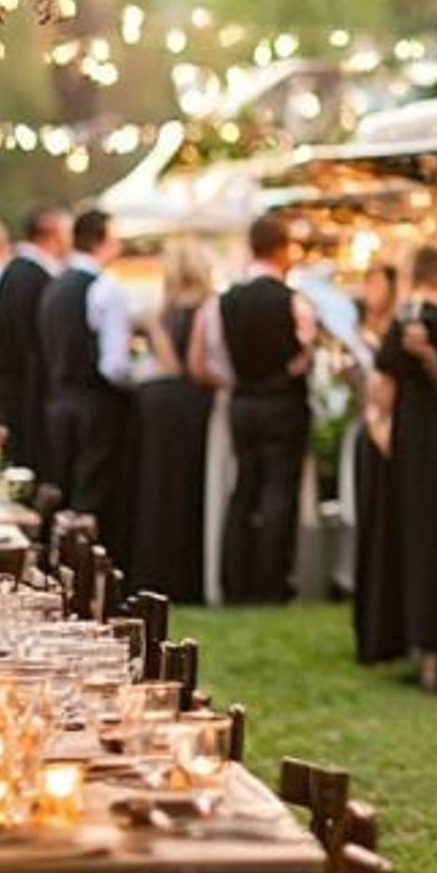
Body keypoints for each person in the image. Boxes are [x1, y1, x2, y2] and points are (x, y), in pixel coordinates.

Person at [197, 213, 315, 604]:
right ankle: (271, 583)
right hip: (282, 402)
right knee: (279, 492)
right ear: (282, 249)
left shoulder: (223, 302)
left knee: (243, 488)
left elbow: (213, 356)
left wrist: (238, 381)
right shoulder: (294, 301)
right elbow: (302, 357)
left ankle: (235, 581)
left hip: (242, 402)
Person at [366, 245, 437, 691]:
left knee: (406, 538)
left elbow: (382, 390)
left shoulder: (405, 319)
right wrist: (430, 359)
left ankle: (411, 643)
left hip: (408, 438)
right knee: (434, 541)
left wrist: (380, 433)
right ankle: (432, 651)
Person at [38, 207, 137, 546]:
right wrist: (136, 382)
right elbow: (115, 366)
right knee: (92, 501)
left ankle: (59, 569)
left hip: (57, 404)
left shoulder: (54, 285)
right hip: (95, 406)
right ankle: (89, 572)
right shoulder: (107, 288)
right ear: (101, 240)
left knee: (63, 495)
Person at [129, 239, 217, 601]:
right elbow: (189, 366)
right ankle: (188, 576)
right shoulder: (207, 308)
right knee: (192, 488)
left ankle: (155, 572)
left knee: (158, 487)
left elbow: (166, 363)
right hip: (193, 403)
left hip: (160, 406)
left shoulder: (160, 313)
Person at [0, 203, 72, 476]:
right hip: (24, 392)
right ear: (50, 232)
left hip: (18, 387)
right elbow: (28, 342)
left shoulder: (19, 270)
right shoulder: (28, 275)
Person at [348, 260, 404, 665]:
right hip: (373, 435)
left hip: (388, 435)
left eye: (377, 284)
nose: (370, 292)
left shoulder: (394, 331)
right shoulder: (359, 334)